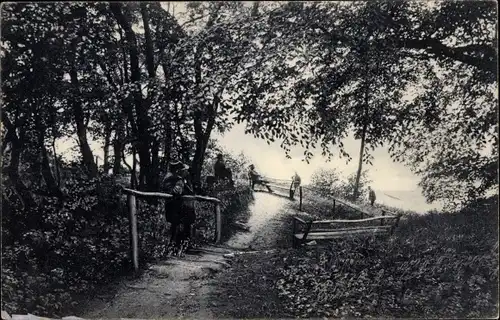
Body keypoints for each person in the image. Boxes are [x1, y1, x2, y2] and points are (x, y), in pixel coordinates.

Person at [162, 161, 196, 246]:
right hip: (177, 207)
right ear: (179, 170)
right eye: (184, 170)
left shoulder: (174, 178)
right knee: (176, 226)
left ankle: (179, 245)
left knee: (177, 226)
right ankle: (178, 245)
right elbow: (177, 191)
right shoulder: (175, 179)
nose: (186, 172)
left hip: (176, 207)